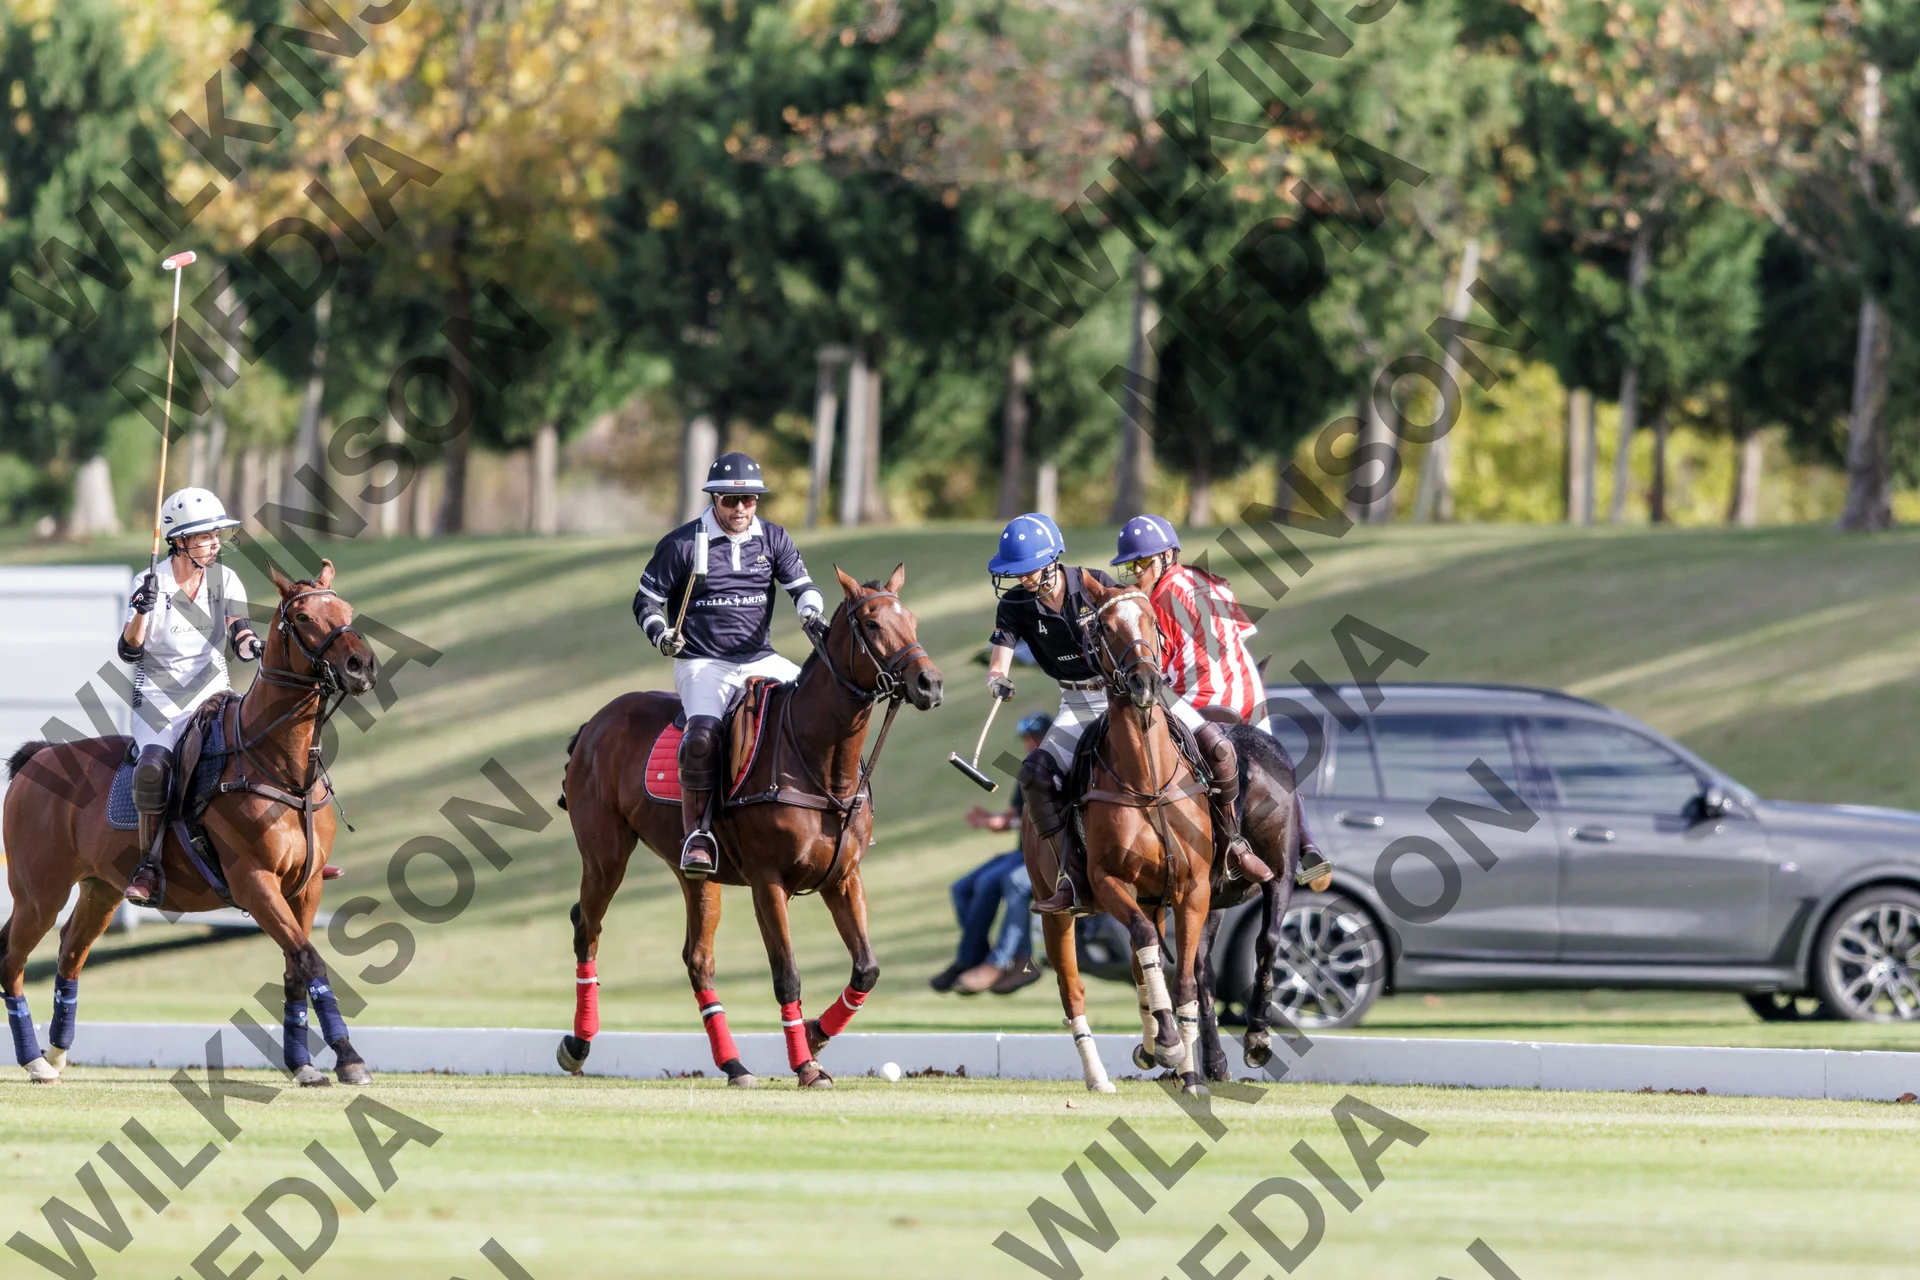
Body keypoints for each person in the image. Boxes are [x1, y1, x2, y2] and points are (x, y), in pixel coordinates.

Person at [633, 452, 826, 877]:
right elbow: (646, 601)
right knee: (702, 737)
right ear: (714, 499)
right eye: (730, 500)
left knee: (822, 706)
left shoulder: (773, 538)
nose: (740, 509)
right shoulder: (683, 544)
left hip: (761, 657)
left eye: (749, 500)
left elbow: (803, 587)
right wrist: (662, 634)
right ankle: (698, 835)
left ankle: (843, 809)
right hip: (703, 661)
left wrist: (811, 611)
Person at [1113, 513, 1326, 881]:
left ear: (1167, 557)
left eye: (1141, 563)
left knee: (1150, 754)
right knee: (1276, 762)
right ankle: (1307, 842)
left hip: (1201, 695)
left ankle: (1225, 847)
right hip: (1249, 690)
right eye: (1131, 565)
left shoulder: (1157, 600)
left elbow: (1161, 666)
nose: (1136, 573)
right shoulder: (1211, 582)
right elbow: (1238, 639)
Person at [120, 488, 262, 906]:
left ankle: (282, 849)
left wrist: (253, 646)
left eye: (216, 535)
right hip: (159, 699)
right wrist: (141, 610)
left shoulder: (225, 579)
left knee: (255, 746)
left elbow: (239, 629)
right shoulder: (150, 582)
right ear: (180, 541)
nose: (215, 543)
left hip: (213, 693)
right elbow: (128, 650)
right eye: (205, 536)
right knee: (152, 769)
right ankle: (149, 866)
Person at [930, 711, 1051, 995]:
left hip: (1049, 856)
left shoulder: (1060, 770)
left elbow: (1045, 818)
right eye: (1026, 738)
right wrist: (989, 818)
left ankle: (1003, 962)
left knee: (1010, 882)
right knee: (962, 887)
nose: (1029, 744)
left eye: (1035, 737)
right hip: (1022, 854)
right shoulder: (1027, 770)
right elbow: (1013, 815)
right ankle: (975, 957)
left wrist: (1005, 823)